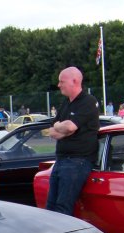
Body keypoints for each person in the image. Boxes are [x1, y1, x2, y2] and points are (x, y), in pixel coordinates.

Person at [45, 66, 99, 216]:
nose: (59, 85)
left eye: (61, 81)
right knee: (50, 206)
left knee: (63, 207)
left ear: (74, 81)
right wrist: (60, 126)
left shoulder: (88, 101)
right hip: (61, 160)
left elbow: (70, 126)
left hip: (78, 161)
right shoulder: (66, 103)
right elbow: (52, 131)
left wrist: (64, 128)